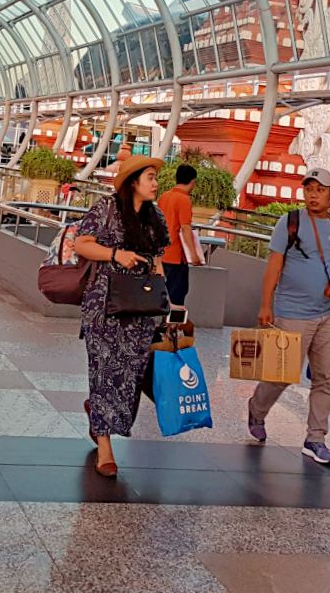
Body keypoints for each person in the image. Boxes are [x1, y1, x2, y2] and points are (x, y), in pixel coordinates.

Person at [247, 167, 330, 466]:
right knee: (282, 375)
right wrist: (265, 305)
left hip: (329, 314)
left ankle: (315, 439)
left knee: (324, 378)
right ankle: (257, 408)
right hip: (292, 312)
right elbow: (274, 266)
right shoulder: (290, 222)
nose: (313, 195)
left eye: (320, 189)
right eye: (309, 189)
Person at [72, 155, 169, 478]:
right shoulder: (106, 209)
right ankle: (104, 446)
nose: (155, 183)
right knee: (102, 371)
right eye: (150, 177)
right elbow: (81, 245)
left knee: (129, 376)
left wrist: (166, 299)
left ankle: (99, 416)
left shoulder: (155, 217)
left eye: (156, 177)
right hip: (103, 306)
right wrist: (115, 254)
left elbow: (158, 260)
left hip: (140, 311)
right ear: (133, 182)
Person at [157, 162, 202, 306]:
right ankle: (173, 327)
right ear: (193, 181)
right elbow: (185, 228)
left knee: (162, 294)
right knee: (177, 296)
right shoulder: (184, 200)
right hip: (177, 256)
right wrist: (193, 254)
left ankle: (163, 325)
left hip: (162, 254)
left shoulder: (164, 196)